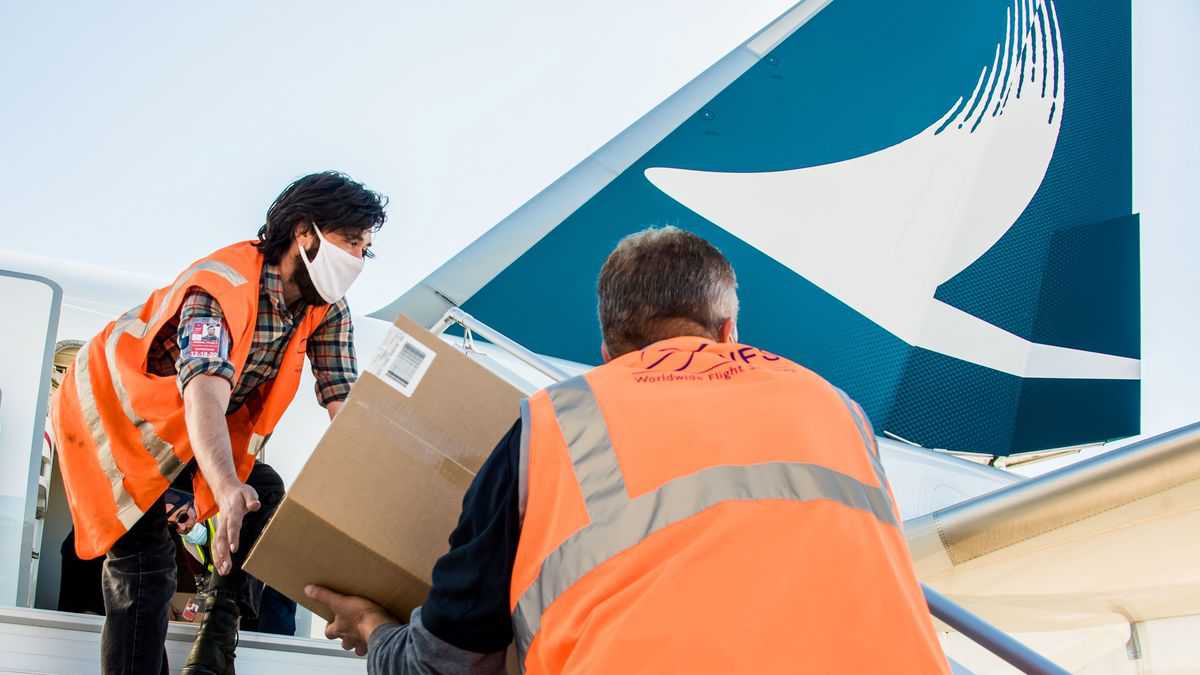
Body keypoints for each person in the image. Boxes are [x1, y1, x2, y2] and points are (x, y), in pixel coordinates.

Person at [307, 226, 951, 674]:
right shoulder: (836, 408)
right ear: (729, 330)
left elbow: (445, 664)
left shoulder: (558, 423)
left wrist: (373, 630)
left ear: (608, 350)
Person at [50, 171, 386, 675]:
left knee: (265, 491)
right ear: (304, 232)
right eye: (350, 243)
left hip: (177, 434)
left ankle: (215, 638)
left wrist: (378, 501)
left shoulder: (327, 309)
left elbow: (343, 399)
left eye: (366, 249)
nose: (357, 261)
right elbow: (205, 390)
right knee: (144, 565)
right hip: (109, 418)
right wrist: (225, 485)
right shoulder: (219, 287)